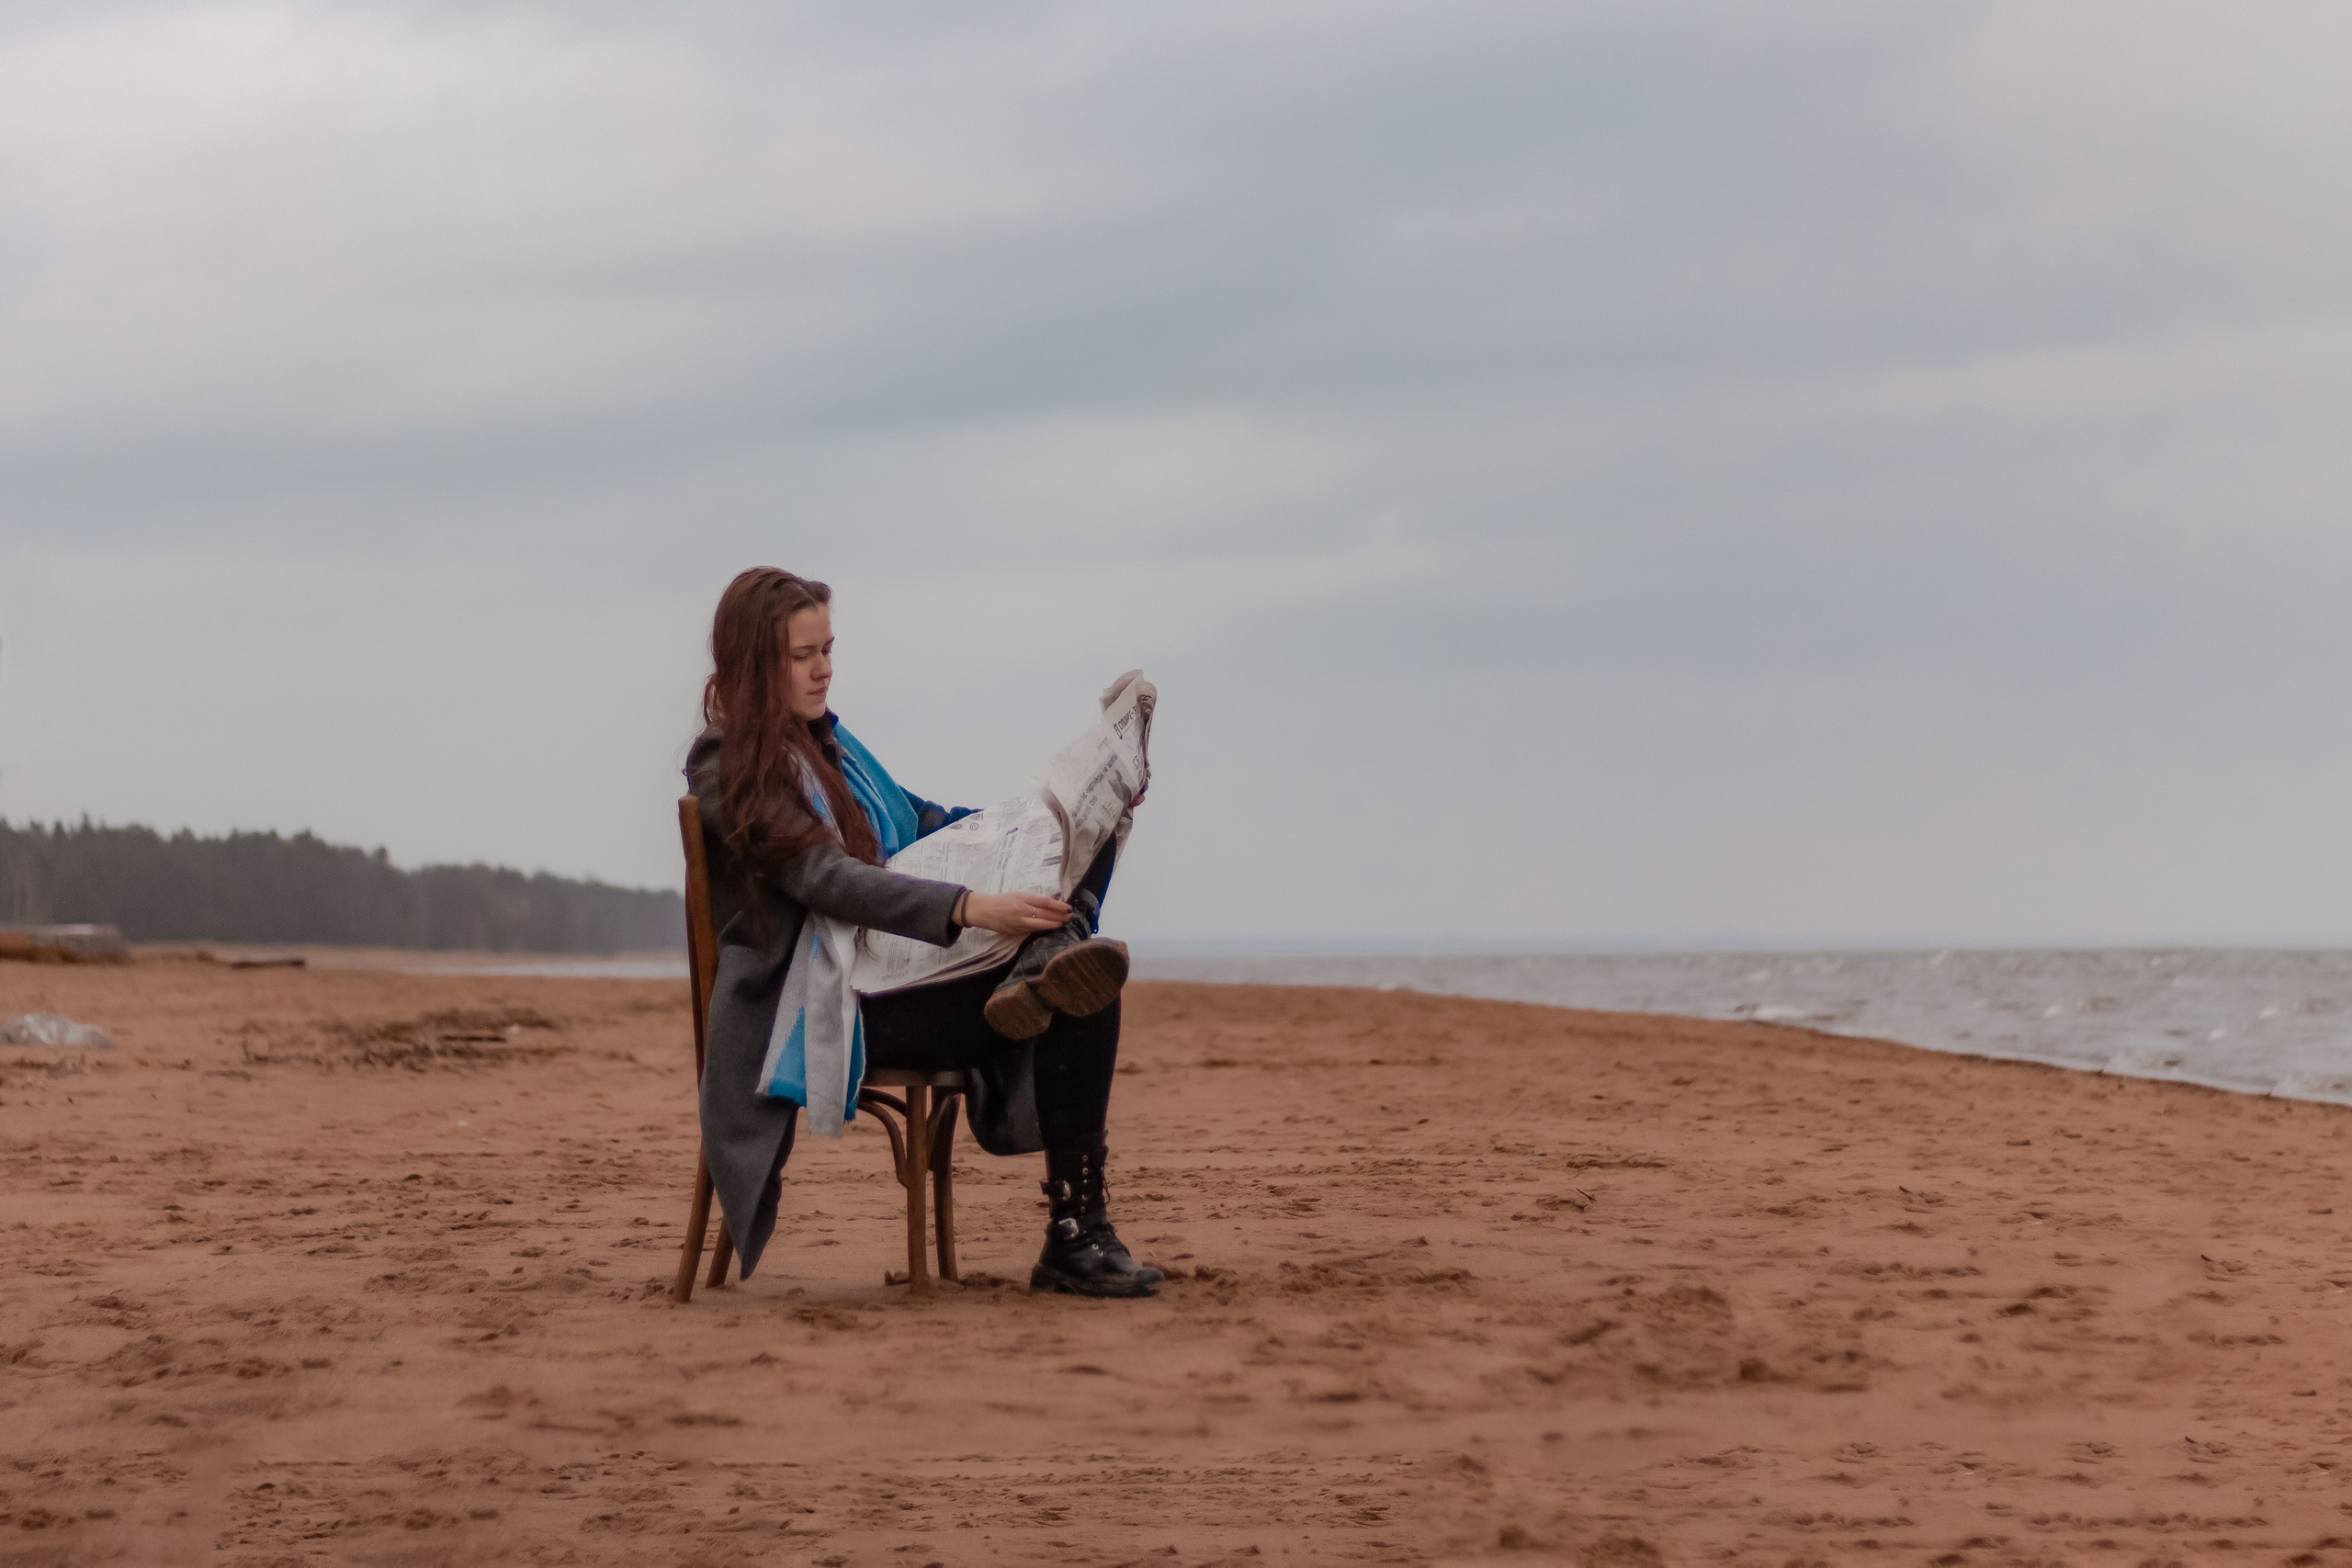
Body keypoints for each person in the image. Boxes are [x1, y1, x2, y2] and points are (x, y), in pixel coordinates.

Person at [686, 566, 1162, 1299]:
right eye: (803, 655)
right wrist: (970, 906)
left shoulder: (830, 749)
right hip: (825, 1003)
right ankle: (1076, 1232)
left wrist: (1051, 821)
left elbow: (926, 822)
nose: (825, 669)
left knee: (1082, 946)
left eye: (828, 649)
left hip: (891, 975)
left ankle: (1049, 962)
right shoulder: (730, 764)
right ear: (756, 662)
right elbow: (824, 878)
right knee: (1082, 983)